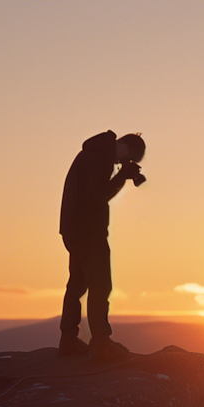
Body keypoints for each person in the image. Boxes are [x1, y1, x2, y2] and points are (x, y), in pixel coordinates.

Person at [58, 130, 146, 357]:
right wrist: (121, 177)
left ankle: (68, 340)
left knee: (76, 286)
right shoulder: (101, 159)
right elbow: (97, 195)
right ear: (128, 148)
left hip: (72, 229)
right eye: (129, 158)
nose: (123, 163)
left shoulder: (90, 154)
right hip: (88, 232)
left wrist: (121, 174)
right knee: (100, 285)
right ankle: (100, 342)